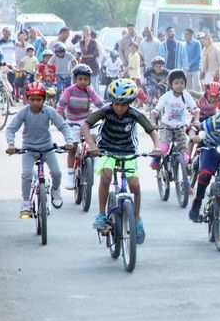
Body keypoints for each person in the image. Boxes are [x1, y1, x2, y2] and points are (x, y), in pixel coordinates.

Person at [81, 78, 160, 244]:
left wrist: (157, 146)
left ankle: (137, 218)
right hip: (106, 150)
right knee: (106, 176)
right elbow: (86, 125)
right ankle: (102, 215)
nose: (119, 108)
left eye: (123, 104)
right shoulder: (105, 111)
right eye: (116, 104)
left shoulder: (134, 114)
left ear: (130, 103)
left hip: (128, 152)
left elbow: (151, 130)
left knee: (135, 185)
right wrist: (91, 144)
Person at [5, 82, 74, 217]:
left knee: (57, 172)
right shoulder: (23, 112)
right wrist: (11, 144)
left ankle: (55, 190)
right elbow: (11, 129)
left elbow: (63, 126)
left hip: (47, 148)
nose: (36, 103)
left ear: (44, 100)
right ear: (27, 99)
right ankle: (26, 202)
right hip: (28, 150)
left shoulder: (49, 111)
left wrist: (69, 141)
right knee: (26, 175)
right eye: (32, 99)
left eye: (39, 100)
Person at [56, 64, 104, 188]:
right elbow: (61, 106)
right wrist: (59, 118)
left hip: (87, 121)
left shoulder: (89, 90)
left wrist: (106, 111)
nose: (83, 82)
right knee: (72, 147)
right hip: (72, 121)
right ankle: (71, 175)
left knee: (95, 138)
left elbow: (99, 103)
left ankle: (93, 160)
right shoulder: (69, 91)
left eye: (85, 79)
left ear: (89, 80)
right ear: (75, 79)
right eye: (80, 79)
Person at [150, 69, 200, 170]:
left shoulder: (186, 95)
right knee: (164, 148)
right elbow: (156, 110)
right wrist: (153, 120)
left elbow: (195, 109)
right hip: (166, 126)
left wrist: (196, 120)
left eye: (182, 83)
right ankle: (156, 160)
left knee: (184, 154)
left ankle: (185, 178)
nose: (179, 85)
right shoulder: (166, 96)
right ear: (171, 84)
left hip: (180, 127)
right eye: (176, 83)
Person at [80, 26, 101, 93]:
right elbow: (82, 53)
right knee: (85, 84)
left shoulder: (93, 42)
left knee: (95, 84)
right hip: (85, 65)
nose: (86, 33)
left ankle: (98, 100)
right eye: (85, 31)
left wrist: (87, 56)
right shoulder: (81, 42)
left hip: (93, 65)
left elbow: (95, 54)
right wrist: (88, 55)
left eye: (87, 31)